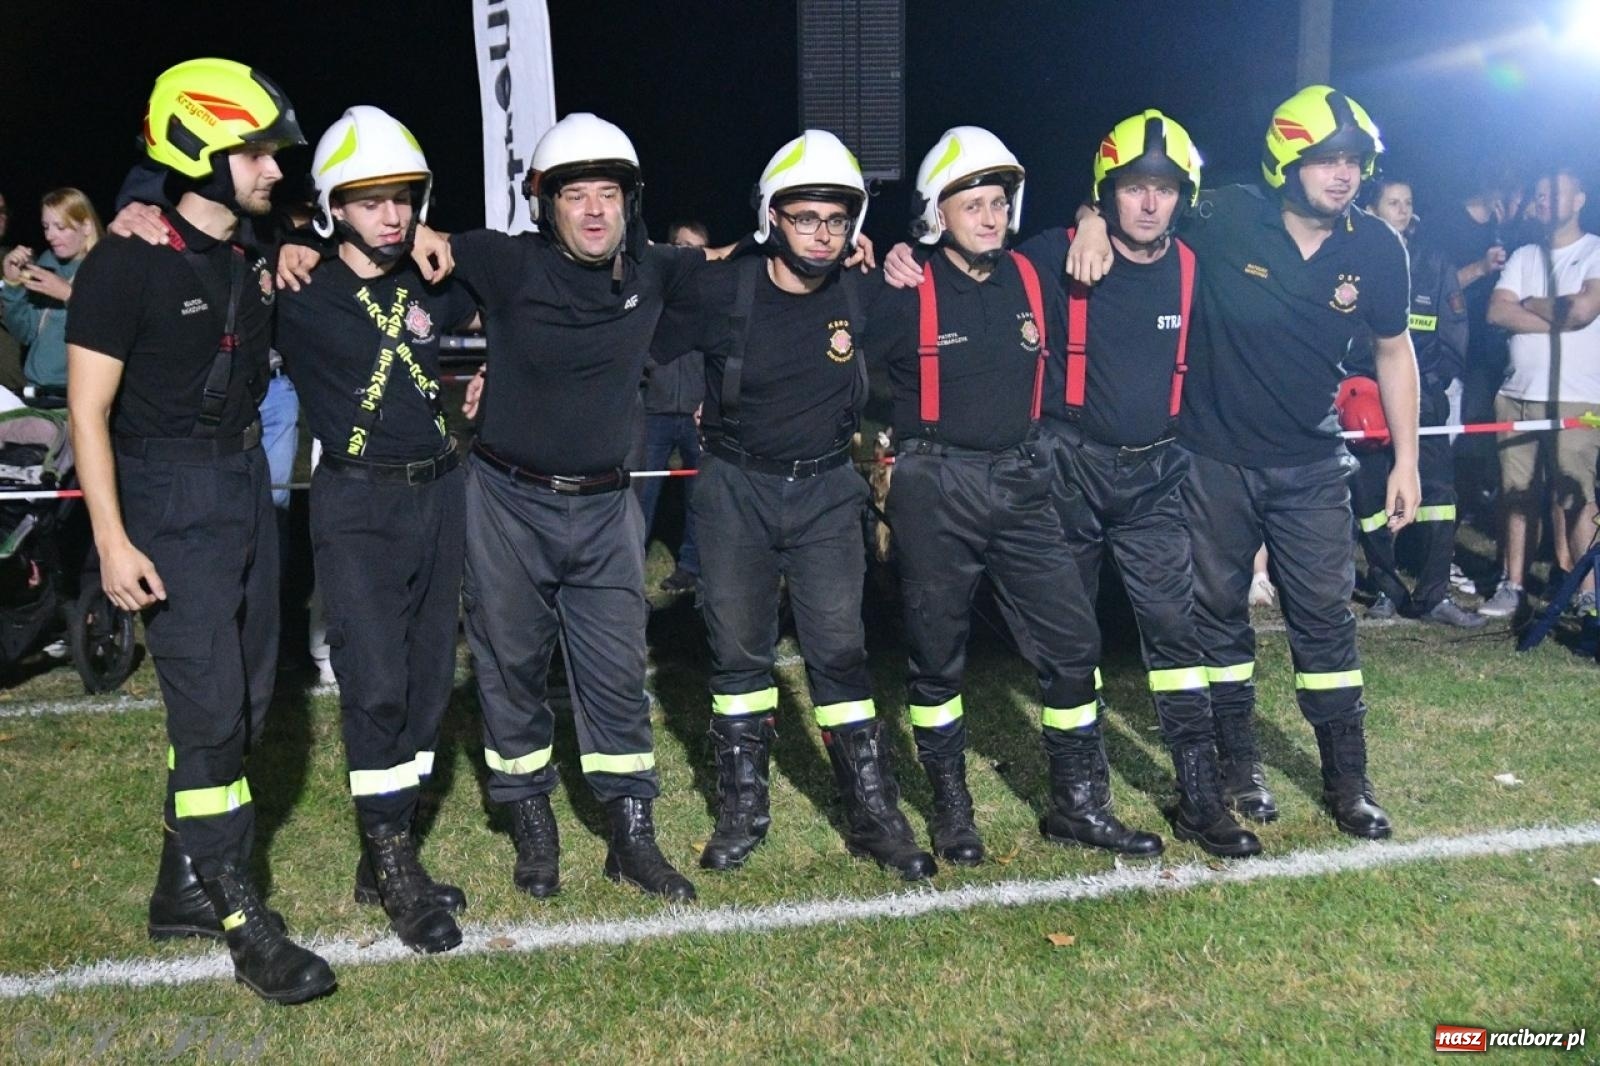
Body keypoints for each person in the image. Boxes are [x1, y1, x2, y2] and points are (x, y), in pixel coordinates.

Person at [1069, 86, 1417, 840]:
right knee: (1217, 622)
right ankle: (1239, 767)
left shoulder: (1378, 247)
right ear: (1285, 162)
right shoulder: (1223, 216)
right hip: (1210, 462)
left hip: (1313, 466)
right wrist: (1089, 219)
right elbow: (1141, 203)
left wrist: (1407, 460)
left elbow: (1395, 351)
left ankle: (1347, 780)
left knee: (1325, 622)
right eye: (1324, 160)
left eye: (1353, 162)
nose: (1341, 175)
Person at [65, 58, 334, 1004]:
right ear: (199, 152)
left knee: (251, 704)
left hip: (242, 492)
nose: (273, 169)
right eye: (255, 152)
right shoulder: (122, 261)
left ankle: (180, 882)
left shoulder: (250, 260)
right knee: (211, 713)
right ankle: (238, 911)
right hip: (164, 499)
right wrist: (110, 542)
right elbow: (86, 415)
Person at [877, 123, 1188, 865]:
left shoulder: (1032, 271)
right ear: (934, 213)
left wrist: (1087, 216)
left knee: (1074, 642)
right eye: (972, 204)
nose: (989, 217)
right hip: (933, 484)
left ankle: (1079, 807)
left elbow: (1098, 226)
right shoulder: (902, 284)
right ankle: (953, 813)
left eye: (998, 203)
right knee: (936, 655)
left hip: (1022, 479)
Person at [411, 113, 700, 902]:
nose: (597, 211)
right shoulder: (500, 262)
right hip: (506, 503)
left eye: (610, 194)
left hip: (608, 508)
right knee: (509, 667)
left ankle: (630, 835)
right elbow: (397, 248)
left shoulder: (659, 270)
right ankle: (530, 821)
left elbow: (764, 270)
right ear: (545, 203)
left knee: (614, 672)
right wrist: (302, 246)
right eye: (578, 195)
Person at [656, 130, 935, 879]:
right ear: (771, 217)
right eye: (805, 216)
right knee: (738, 651)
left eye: (836, 219)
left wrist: (910, 256)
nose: (821, 233)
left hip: (825, 494)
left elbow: (966, 271)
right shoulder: (723, 290)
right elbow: (626, 300)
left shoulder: (864, 292)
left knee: (840, 653)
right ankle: (743, 807)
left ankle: (874, 811)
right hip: (734, 492)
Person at [275, 105, 481, 954]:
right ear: (332, 207)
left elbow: (538, 280)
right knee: (378, 682)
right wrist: (270, 248)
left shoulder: (440, 279)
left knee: (432, 681)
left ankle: (383, 848)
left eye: (403, 199)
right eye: (369, 201)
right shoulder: (298, 288)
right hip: (358, 505)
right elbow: (198, 257)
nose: (391, 217)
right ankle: (393, 862)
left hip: (441, 495)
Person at [1344, 177, 1482, 628]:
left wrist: (1435, 383)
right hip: (1365, 400)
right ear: (1372, 209)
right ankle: (1386, 590)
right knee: (1369, 500)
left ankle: (1434, 595)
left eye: (1407, 203)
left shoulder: (1435, 264)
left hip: (1425, 401)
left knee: (1439, 496)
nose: (1402, 210)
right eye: (1393, 203)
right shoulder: (1352, 261)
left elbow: (1455, 328)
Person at [1484, 168, 1600, 618]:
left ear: (1578, 201)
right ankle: (1512, 586)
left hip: (1576, 396)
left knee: (1575, 496)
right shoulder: (1524, 255)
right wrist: (1557, 315)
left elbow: (1584, 310)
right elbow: (1496, 311)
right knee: (1516, 495)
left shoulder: (1594, 252)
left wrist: (1527, 304)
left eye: (1555, 194)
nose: (1545, 202)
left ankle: (1588, 590)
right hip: (1516, 393)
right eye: (1539, 195)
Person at [636, 220, 708, 594]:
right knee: (642, 497)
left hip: (697, 413)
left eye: (694, 249)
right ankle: (629, 567)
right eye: (680, 245)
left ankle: (691, 567)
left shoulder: (710, 299)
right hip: (655, 411)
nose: (686, 254)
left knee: (699, 496)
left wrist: (710, 399)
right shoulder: (652, 291)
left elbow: (720, 353)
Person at [2, 188, 104, 391]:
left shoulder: (106, 265)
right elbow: (26, 332)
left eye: (60, 227)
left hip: (80, 392)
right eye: (46, 226)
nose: (50, 235)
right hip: (37, 390)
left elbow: (115, 328)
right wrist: (13, 286)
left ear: (86, 226)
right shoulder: (48, 262)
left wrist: (68, 295)